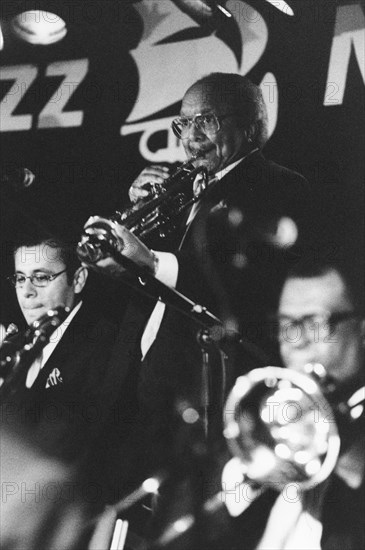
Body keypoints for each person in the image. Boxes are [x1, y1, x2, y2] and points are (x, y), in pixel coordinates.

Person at [216, 258, 365, 550]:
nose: (296, 341)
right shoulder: (284, 418)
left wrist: (347, 457)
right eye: (287, 326)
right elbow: (232, 506)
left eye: (316, 324)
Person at [1, 232, 149, 507]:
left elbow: (70, 448)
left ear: (78, 279)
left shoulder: (104, 342)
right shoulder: (20, 347)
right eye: (20, 278)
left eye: (42, 277)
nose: (27, 291)